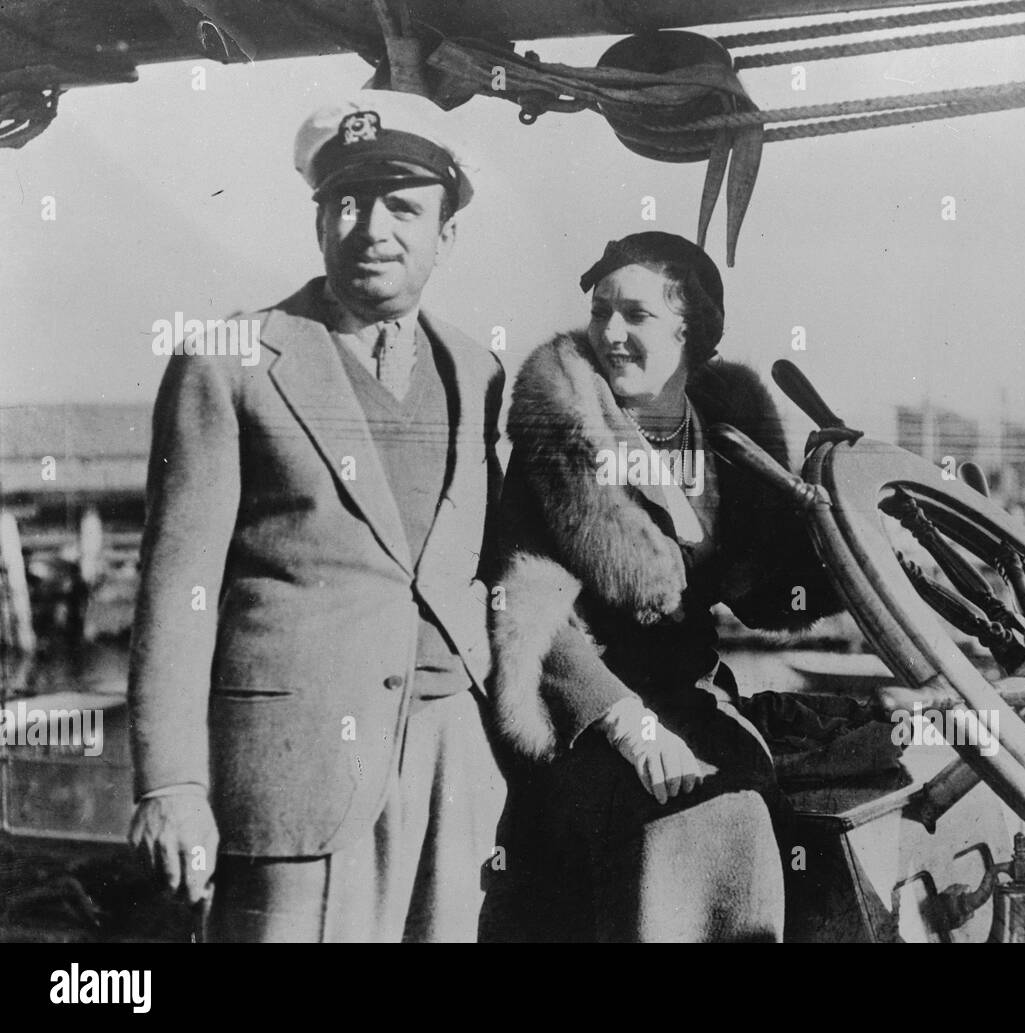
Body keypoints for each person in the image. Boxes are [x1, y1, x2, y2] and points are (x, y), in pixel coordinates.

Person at [127, 90, 506, 942]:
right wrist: (172, 784)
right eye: (349, 202)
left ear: (446, 234)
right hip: (294, 770)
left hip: (454, 763)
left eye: (404, 207)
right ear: (319, 220)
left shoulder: (480, 371)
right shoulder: (229, 360)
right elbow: (176, 591)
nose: (374, 227)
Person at [483, 231, 844, 942]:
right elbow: (525, 606)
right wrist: (628, 724)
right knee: (696, 814)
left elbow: (766, 593)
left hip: (693, 701)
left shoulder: (724, 436)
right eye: (600, 312)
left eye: (635, 315)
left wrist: (843, 521)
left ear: (691, 328)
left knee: (749, 788)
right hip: (587, 718)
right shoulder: (559, 430)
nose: (610, 333)